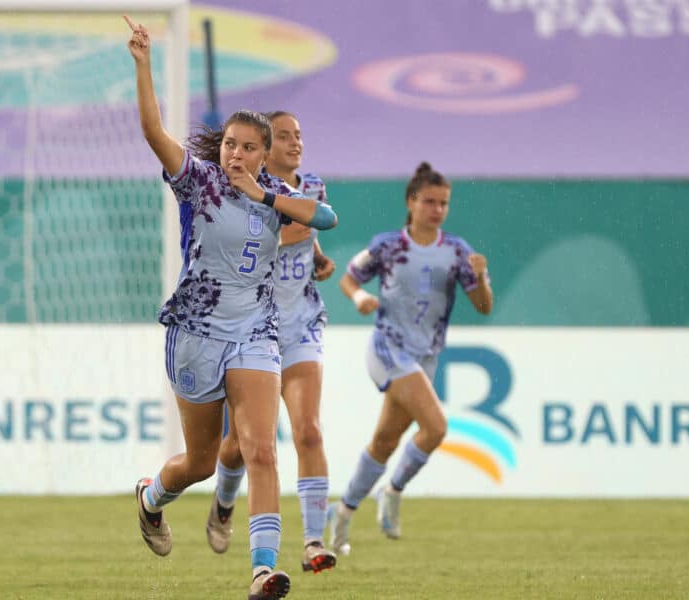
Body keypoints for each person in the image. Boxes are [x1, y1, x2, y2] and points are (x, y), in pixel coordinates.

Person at [123, 17, 337, 600]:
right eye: (229, 145)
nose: (235, 154)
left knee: (262, 447)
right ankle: (151, 499)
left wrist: (265, 196)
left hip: (255, 333)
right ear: (220, 149)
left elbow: (326, 218)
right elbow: (152, 130)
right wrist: (143, 64)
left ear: (264, 155)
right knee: (197, 462)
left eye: (248, 147)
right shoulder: (198, 182)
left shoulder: (276, 198)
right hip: (195, 331)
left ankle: (262, 570)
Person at [327, 162, 492, 555]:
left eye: (444, 203)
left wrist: (481, 278)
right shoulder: (389, 245)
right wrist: (360, 297)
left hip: (425, 356)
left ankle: (343, 513)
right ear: (411, 202)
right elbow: (349, 277)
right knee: (435, 428)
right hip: (388, 348)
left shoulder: (457, 252)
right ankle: (393, 490)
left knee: (385, 441)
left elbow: (483, 306)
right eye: (429, 201)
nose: (437, 210)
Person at [207, 111, 338, 574]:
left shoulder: (314, 188)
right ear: (264, 147)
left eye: (299, 135)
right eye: (284, 136)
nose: (295, 143)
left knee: (309, 429)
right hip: (252, 329)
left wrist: (317, 257)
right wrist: (281, 240)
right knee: (239, 447)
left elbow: (314, 231)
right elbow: (233, 250)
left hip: (300, 324)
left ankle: (313, 542)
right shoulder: (239, 192)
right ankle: (223, 502)